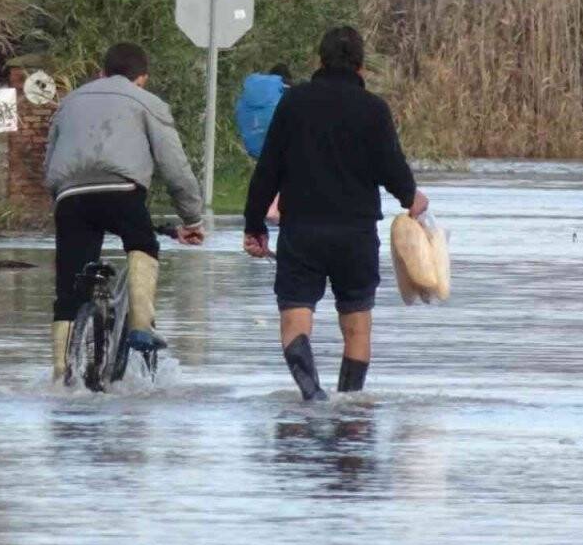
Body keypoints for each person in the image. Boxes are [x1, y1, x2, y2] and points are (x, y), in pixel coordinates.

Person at [242, 26, 428, 401]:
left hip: (302, 230)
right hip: (356, 233)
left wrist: (254, 223)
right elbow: (390, 165)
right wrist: (411, 197)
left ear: (320, 60)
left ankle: (313, 396)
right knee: (357, 325)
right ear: (361, 66)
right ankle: (349, 409)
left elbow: (269, 169)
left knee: (295, 318)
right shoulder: (374, 109)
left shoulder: (293, 104)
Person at [44, 42, 206, 379]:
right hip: (121, 192)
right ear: (142, 79)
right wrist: (192, 217)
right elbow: (175, 166)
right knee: (142, 243)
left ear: (102, 73)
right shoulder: (147, 102)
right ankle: (141, 325)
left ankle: (59, 373)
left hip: (71, 196)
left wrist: (59, 197)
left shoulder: (69, 102)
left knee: (68, 286)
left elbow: (49, 162)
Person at [235, 64, 293, 223]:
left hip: (256, 137)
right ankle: (273, 208)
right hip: (279, 138)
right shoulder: (289, 90)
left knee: (267, 172)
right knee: (285, 170)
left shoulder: (256, 96)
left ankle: (265, 207)